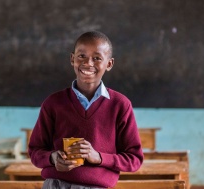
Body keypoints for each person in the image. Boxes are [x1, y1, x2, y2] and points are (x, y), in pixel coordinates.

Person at [28, 31, 143, 189]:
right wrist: (53, 158)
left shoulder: (120, 105)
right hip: (56, 185)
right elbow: (35, 150)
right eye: (81, 56)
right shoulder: (53, 103)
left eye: (97, 58)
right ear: (72, 59)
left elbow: (134, 159)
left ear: (109, 64)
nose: (88, 63)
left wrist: (99, 157)